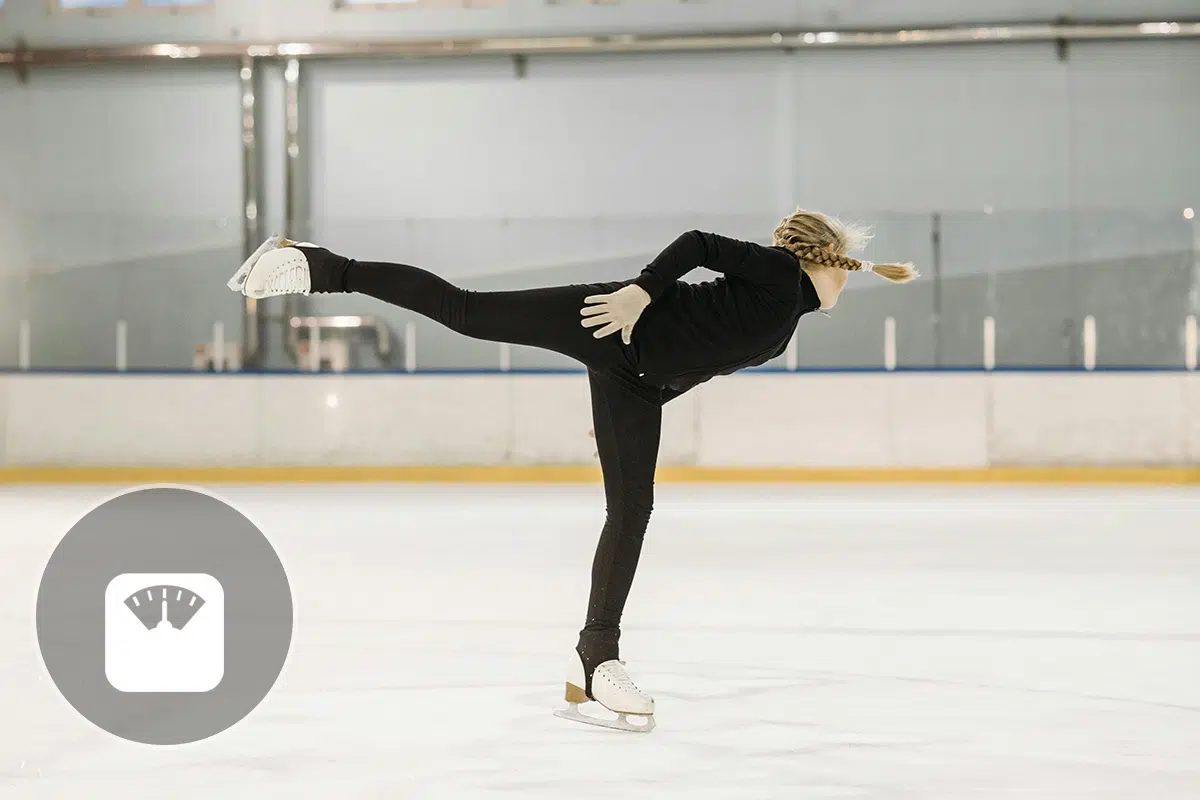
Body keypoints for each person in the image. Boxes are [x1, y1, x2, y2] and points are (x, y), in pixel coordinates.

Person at [227, 209, 916, 733]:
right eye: (847, 279)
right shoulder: (780, 275)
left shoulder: (781, 328)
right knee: (467, 311)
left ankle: (595, 659)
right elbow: (701, 244)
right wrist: (643, 293)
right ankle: (319, 267)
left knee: (633, 510)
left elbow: (697, 359)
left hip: (636, 382)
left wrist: (633, 403)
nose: (845, 292)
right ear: (828, 263)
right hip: (605, 319)